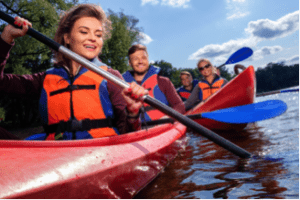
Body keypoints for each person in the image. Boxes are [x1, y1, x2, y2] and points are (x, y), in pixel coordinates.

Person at [0, 4, 148, 140]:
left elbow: (128, 135)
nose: (92, 38)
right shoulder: (45, 78)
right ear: (67, 38)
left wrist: (133, 114)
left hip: (100, 151)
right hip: (55, 152)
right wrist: (6, 38)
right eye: (84, 32)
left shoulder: (111, 77)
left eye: (98, 35)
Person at [122, 44, 185, 122]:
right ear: (130, 63)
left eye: (143, 58)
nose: (140, 61)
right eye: (135, 59)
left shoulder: (163, 81)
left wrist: (169, 118)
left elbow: (179, 105)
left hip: (164, 127)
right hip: (136, 130)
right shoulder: (122, 85)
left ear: (148, 60)